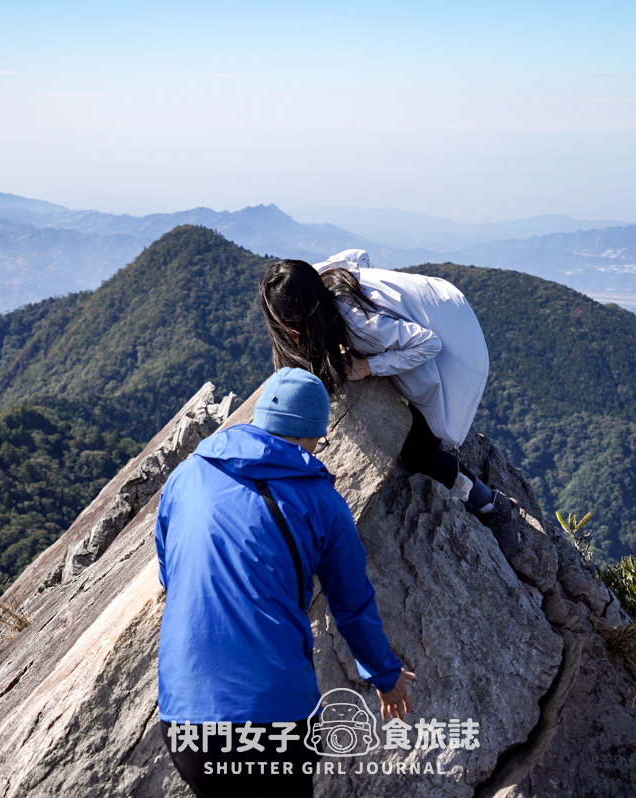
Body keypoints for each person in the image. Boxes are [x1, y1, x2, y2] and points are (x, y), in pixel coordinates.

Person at [156, 367, 414, 798]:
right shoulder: (322, 502)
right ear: (312, 434)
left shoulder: (186, 476)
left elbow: (169, 572)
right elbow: (352, 606)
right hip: (274, 720)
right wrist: (386, 677)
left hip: (185, 721)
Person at [258, 249, 520, 556]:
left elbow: (429, 343)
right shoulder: (319, 279)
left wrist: (369, 366)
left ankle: (491, 503)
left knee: (418, 453)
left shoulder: (357, 321)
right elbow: (360, 255)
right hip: (448, 307)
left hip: (457, 352)